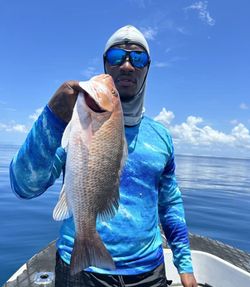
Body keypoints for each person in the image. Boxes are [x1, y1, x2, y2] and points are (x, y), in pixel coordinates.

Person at [9, 25, 197, 287]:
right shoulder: (75, 125)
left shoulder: (161, 136)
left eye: (138, 58)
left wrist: (185, 266)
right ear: (105, 64)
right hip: (80, 269)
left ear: (147, 68)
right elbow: (24, 187)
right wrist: (52, 118)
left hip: (148, 272)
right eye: (117, 56)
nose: (128, 65)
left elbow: (170, 204)